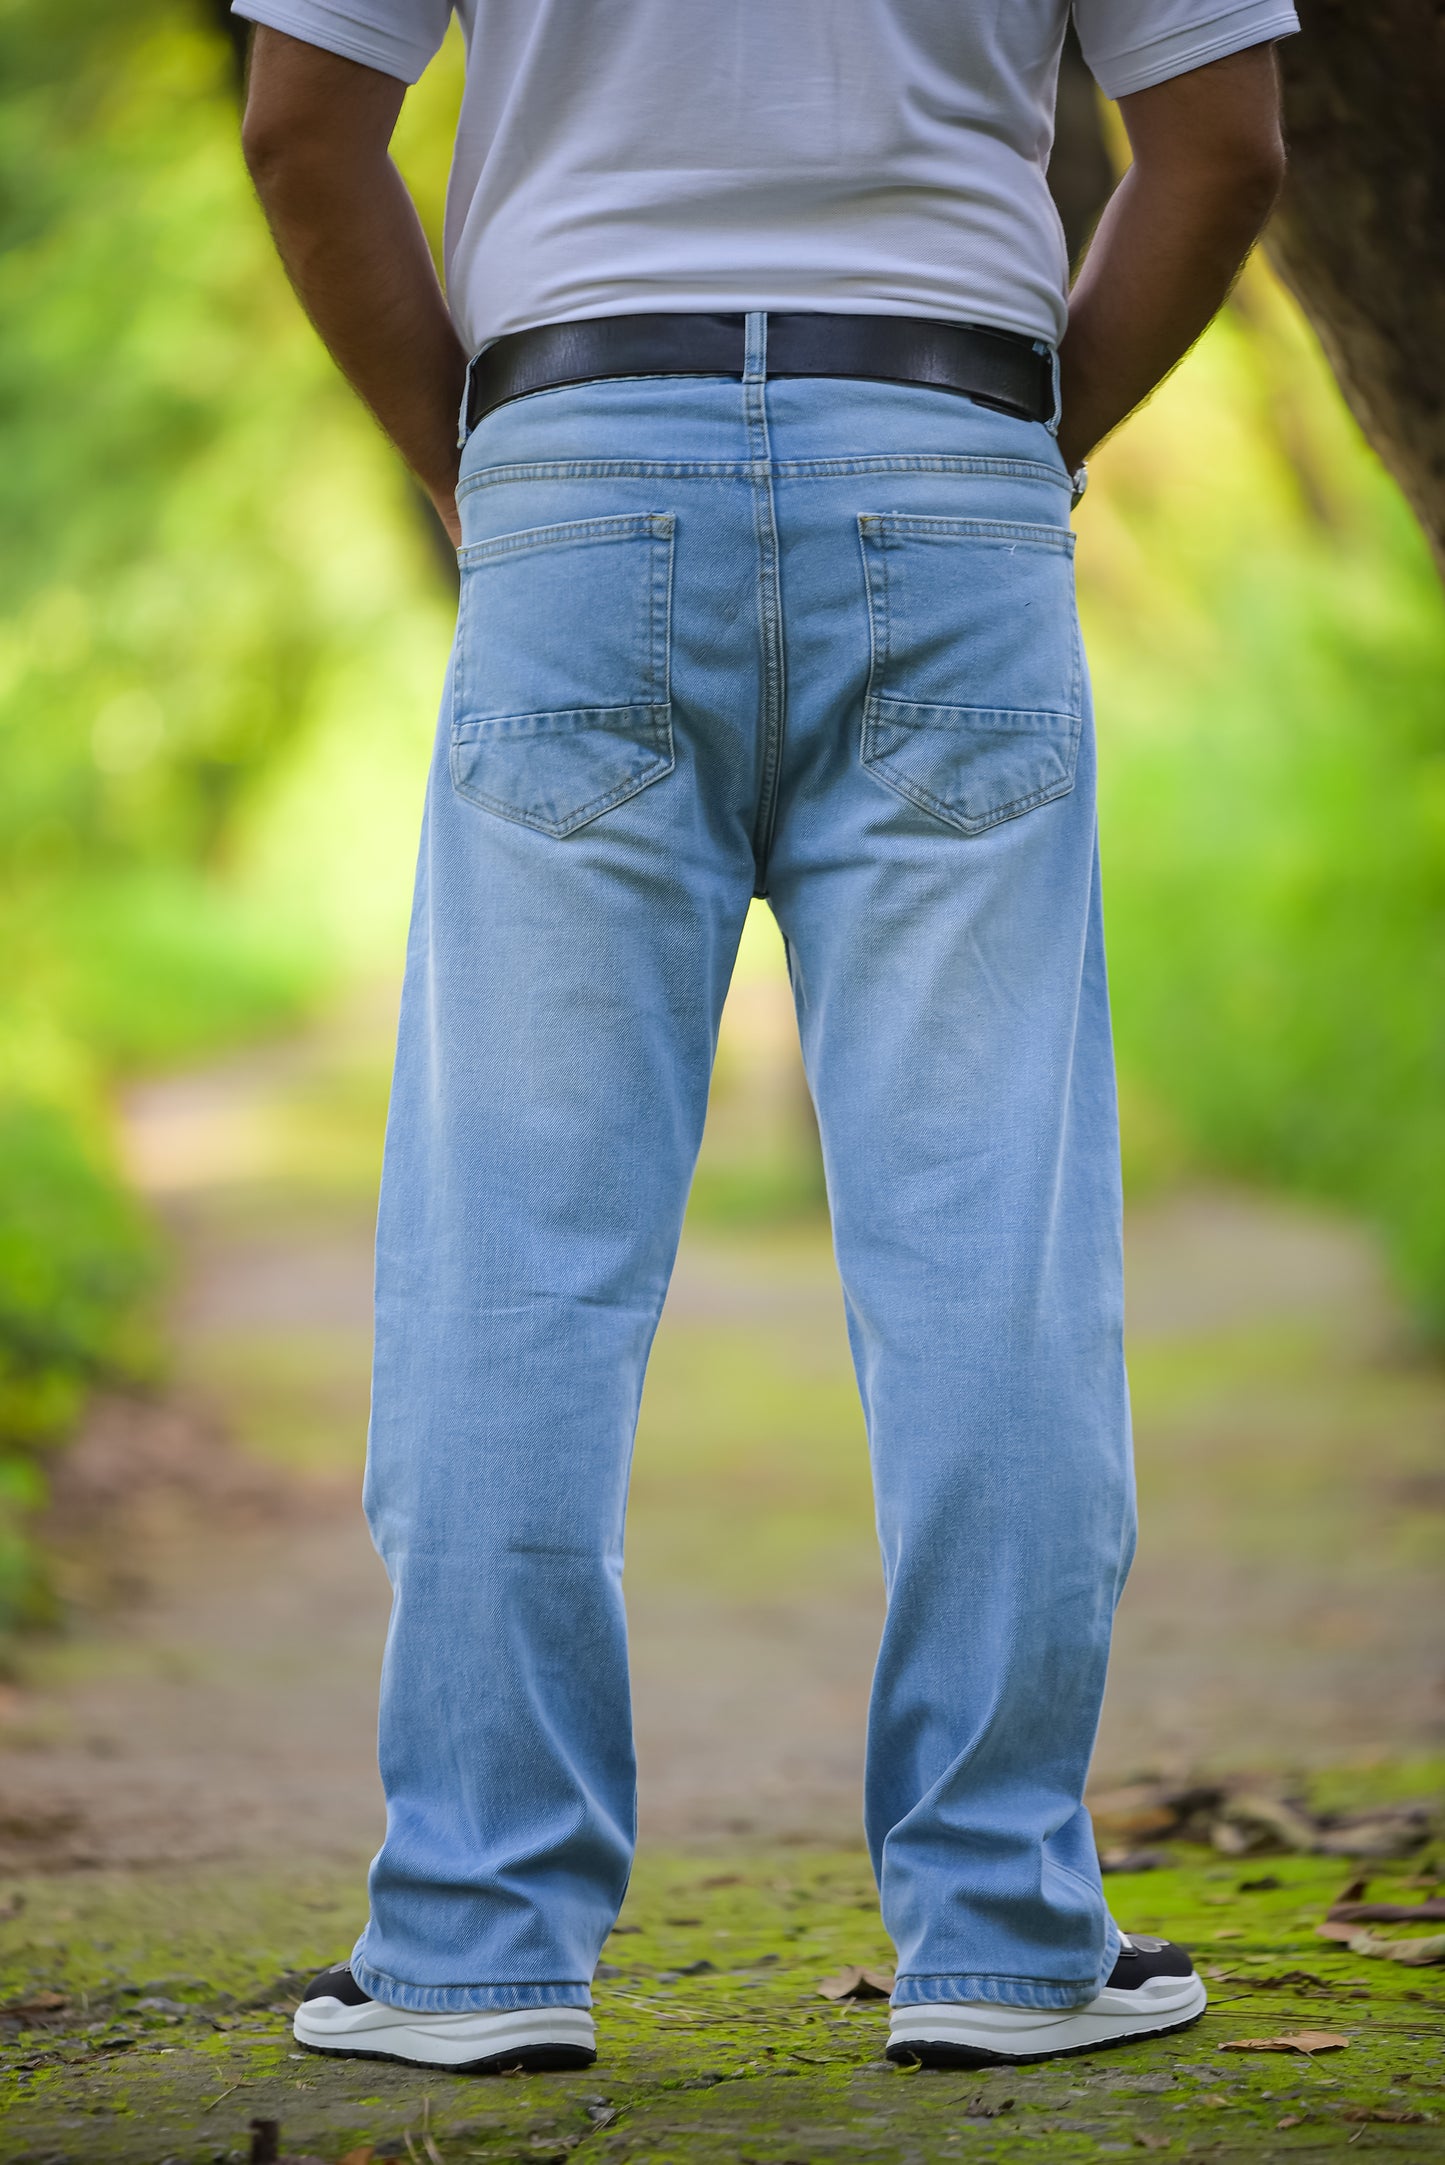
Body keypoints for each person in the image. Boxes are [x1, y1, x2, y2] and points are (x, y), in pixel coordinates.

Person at [233, 0, 1292, 2075]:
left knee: (513, 1252)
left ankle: (474, 1941)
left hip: (576, 447)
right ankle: (1002, 1935)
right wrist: (1015, 451)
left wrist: (473, 459)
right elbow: (1224, 147)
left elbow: (300, 127)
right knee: (991, 1239)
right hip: (949, 442)